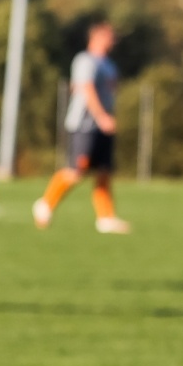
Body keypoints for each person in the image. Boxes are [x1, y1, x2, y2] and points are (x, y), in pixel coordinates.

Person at [34, 21, 130, 235]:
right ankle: (46, 204)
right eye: (109, 36)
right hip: (84, 125)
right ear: (96, 37)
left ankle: (106, 218)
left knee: (104, 172)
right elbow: (85, 89)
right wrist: (102, 116)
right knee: (76, 171)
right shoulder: (85, 60)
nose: (113, 40)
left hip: (103, 126)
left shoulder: (109, 64)